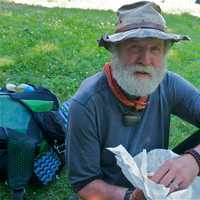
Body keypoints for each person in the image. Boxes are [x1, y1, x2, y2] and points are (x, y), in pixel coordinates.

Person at [66, 1, 200, 200]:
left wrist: (195, 159)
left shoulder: (168, 84)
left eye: (155, 49)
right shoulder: (87, 104)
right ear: (115, 50)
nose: (145, 60)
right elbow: (85, 184)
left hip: (156, 181)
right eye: (135, 47)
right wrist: (133, 197)